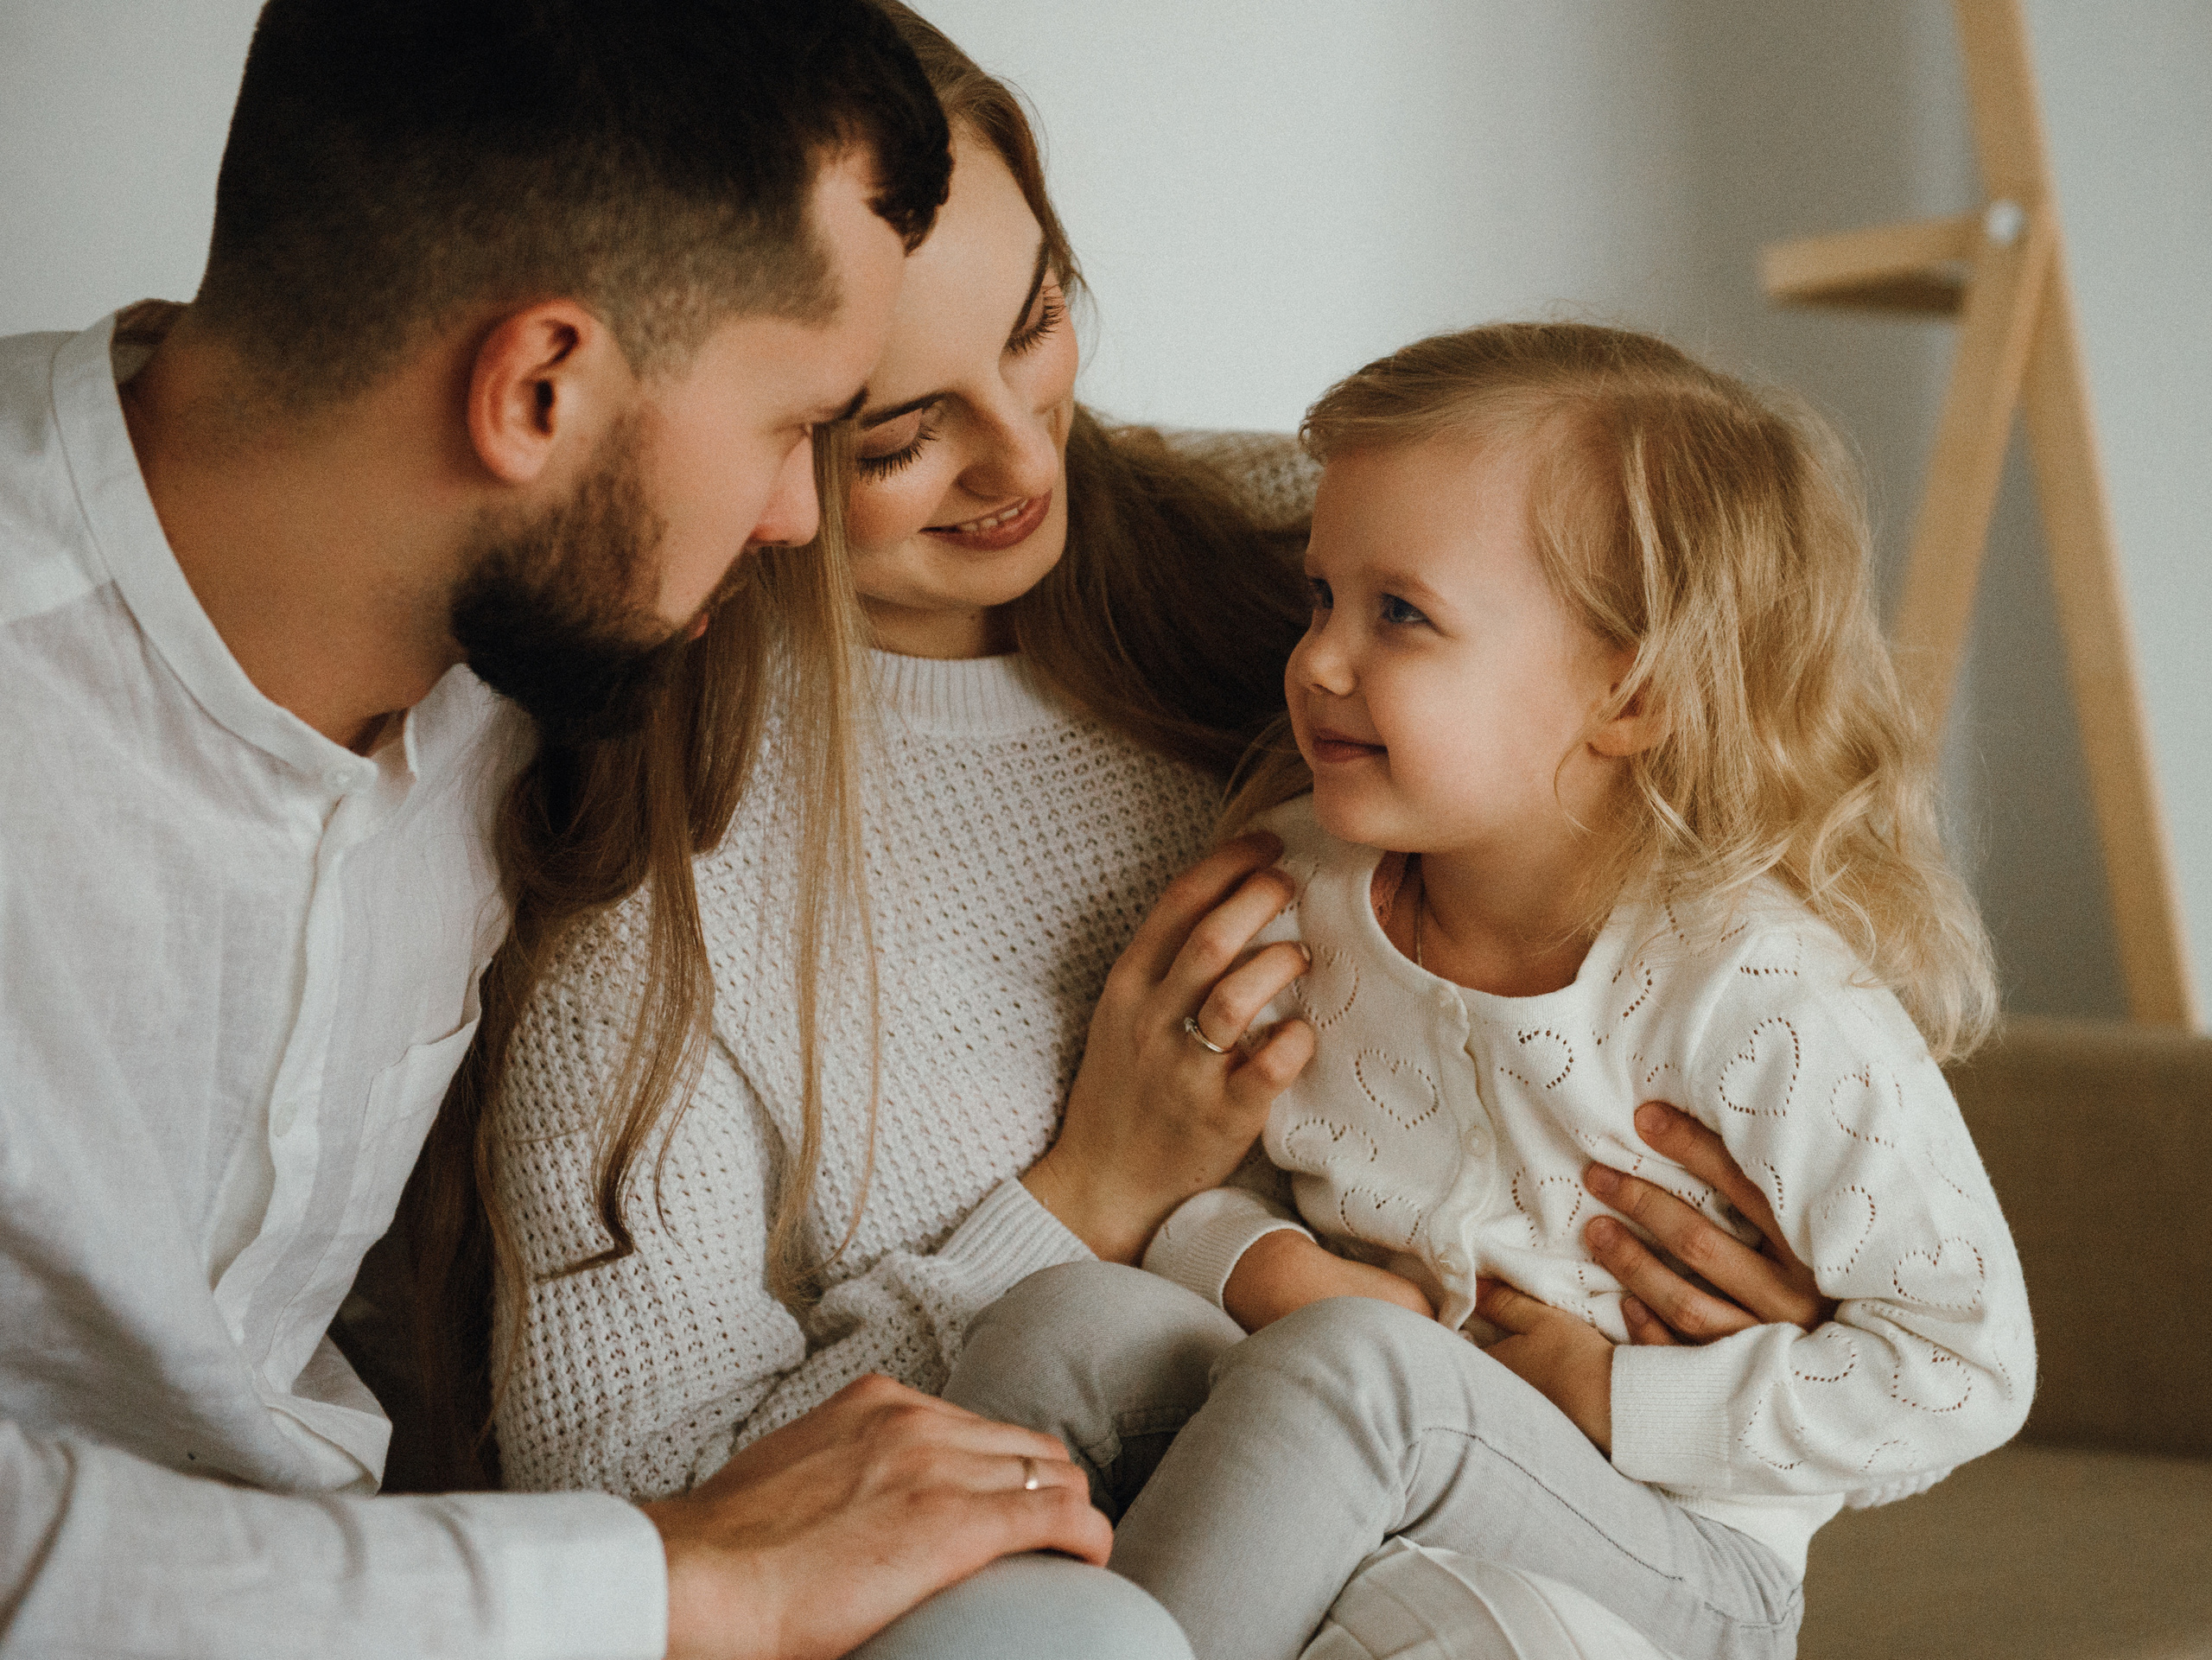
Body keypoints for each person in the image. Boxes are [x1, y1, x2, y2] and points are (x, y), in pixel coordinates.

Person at [463, 15, 1850, 1657]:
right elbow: (638, 1509)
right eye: (896, 435)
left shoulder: (1308, 564)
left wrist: (1788, 1257)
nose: (1020, 450)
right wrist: (1088, 1189)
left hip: (1537, 1519)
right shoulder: (660, 882)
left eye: (1038, 321)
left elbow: (1745, 765)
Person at [0, 4, 1121, 1657]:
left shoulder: (507, 627)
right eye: (802, 426)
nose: (799, 520)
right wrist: (676, 1575)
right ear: (536, 389)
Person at [954, 323, 2037, 1660]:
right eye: (1318, 598)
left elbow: (1966, 1368)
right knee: (1066, 1320)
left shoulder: (1759, 999)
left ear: (1628, 692)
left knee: (1361, 1370)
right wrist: (1263, 1263)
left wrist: (1616, 1391)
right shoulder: (1301, 889)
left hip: (1671, 1548)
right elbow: (1203, 1187)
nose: (1320, 661)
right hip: (1332, 1436)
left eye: (1399, 612)